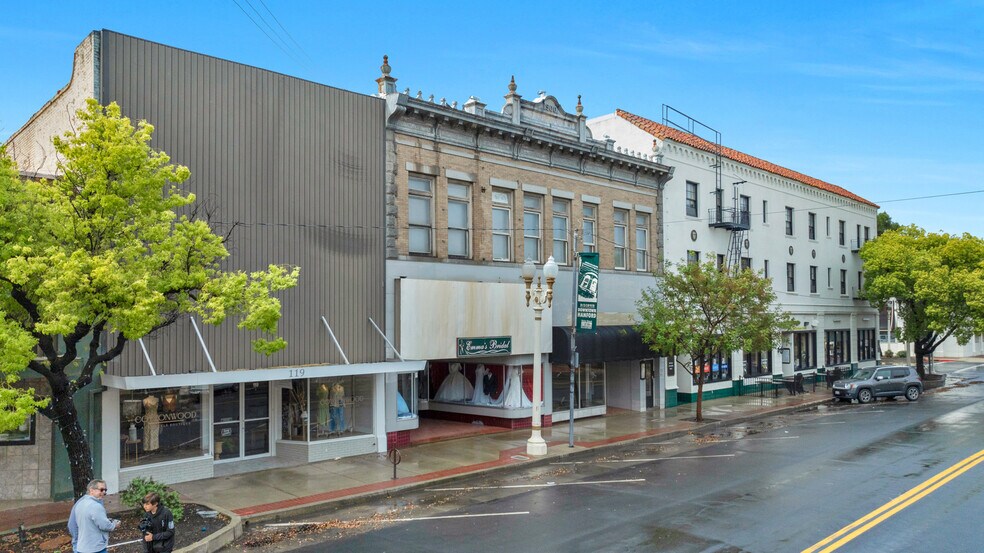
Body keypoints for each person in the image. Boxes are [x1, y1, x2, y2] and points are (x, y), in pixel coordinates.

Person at [67, 479, 120, 553]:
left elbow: (73, 524)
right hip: (95, 548)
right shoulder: (96, 506)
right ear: (91, 490)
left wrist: (77, 539)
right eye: (101, 490)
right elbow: (104, 525)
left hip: (81, 547)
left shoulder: (80, 504)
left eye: (105, 490)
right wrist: (114, 524)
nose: (104, 492)